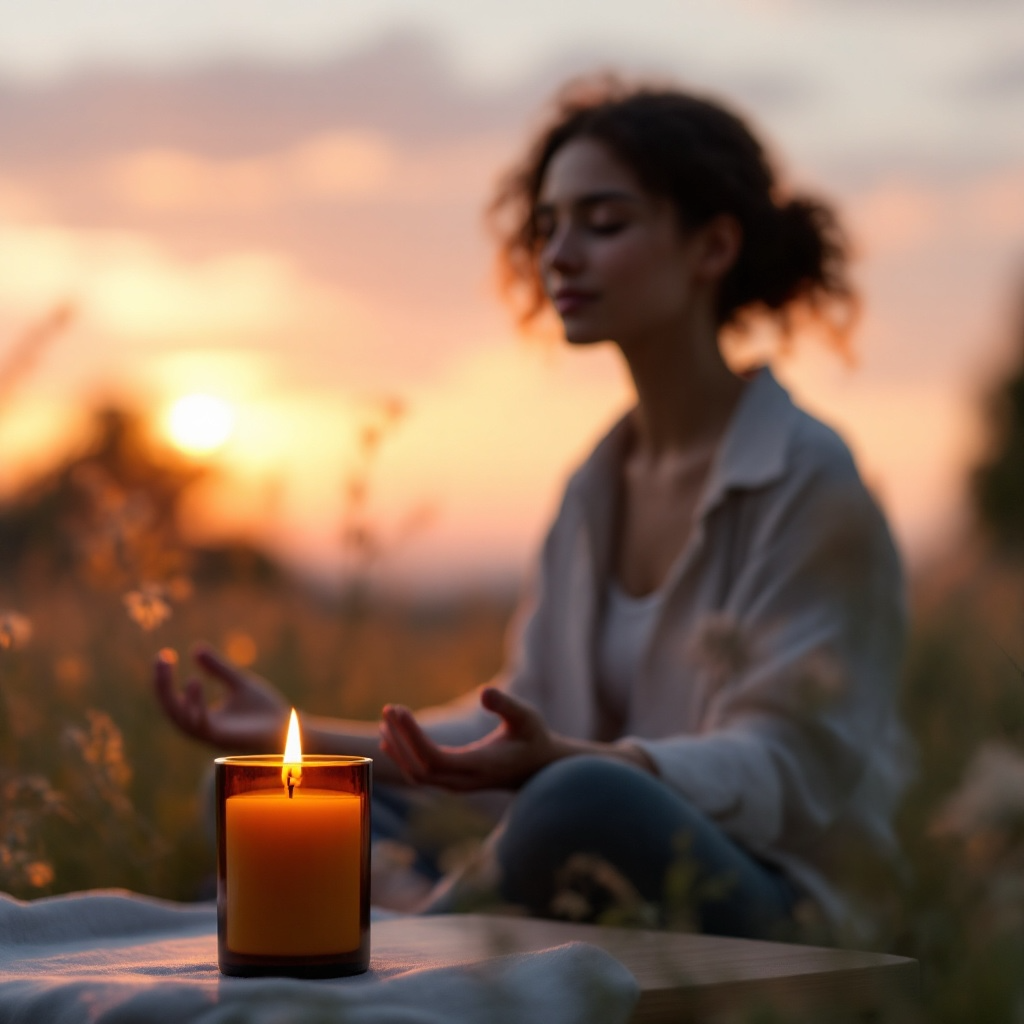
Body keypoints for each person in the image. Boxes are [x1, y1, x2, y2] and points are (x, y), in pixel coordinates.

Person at [154, 79, 908, 941]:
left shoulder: (807, 476)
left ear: (713, 247)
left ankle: (406, 940)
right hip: (575, 850)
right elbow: (521, 712)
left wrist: (575, 764)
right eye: (548, 226)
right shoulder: (597, 481)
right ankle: (408, 927)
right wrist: (302, 732)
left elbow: (784, 767)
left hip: (769, 895)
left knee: (579, 799)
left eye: (605, 222)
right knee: (284, 793)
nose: (560, 254)